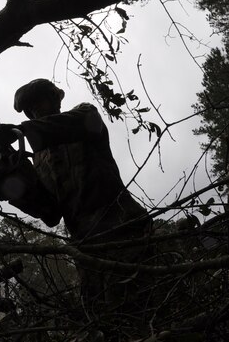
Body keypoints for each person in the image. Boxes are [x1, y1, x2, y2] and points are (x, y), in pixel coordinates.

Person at [8, 78, 151, 315]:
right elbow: (51, 213)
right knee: (101, 318)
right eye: (28, 108)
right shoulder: (39, 158)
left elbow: (69, 125)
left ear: (54, 98)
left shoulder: (84, 116)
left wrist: (23, 131)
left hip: (123, 229)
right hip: (85, 247)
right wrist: (14, 186)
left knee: (140, 307)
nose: (34, 110)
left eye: (38, 102)